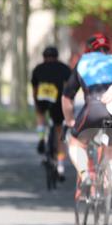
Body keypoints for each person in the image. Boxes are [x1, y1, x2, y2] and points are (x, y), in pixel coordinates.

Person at [61, 32, 112, 199]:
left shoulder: (83, 62)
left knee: (75, 142)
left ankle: (85, 176)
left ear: (89, 49)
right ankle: (106, 194)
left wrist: (70, 120)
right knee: (111, 151)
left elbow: (66, 97)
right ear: (107, 48)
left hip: (95, 107)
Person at [31, 46, 71, 179]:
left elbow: (34, 88)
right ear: (57, 56)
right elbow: (69, 88)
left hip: (42, 97)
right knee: (60, 131)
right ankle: (60, 167)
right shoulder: (64, 68)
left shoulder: (38, 68)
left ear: (43, 57)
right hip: (58, 100)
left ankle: (41, 137)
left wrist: (37, 104)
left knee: (40, 114)